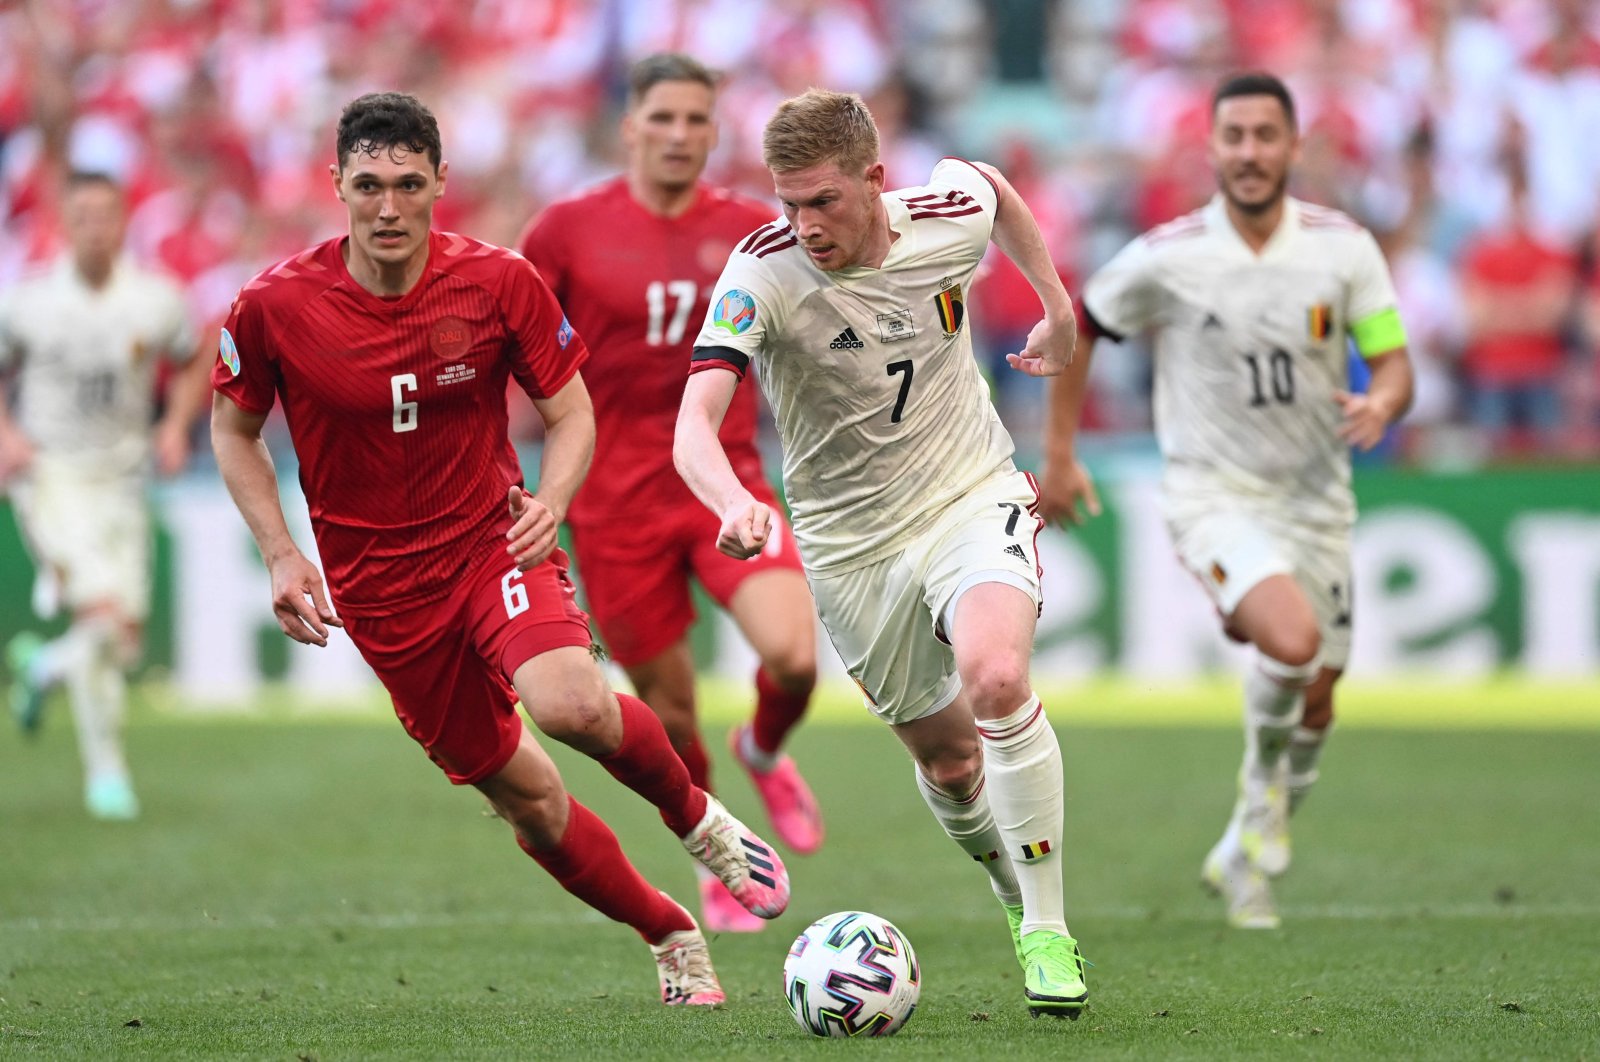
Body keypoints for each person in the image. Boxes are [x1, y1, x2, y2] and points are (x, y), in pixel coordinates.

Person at [209, 92, 790, 1006]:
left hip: (492, 544)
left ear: (442, 181)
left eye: (408, 183)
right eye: (368, 185)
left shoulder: (498, 281)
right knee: (533, 803)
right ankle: (670, 931)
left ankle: (700, 822)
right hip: (384, 598)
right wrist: (282, 553)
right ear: (337, 186)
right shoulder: (275, 306)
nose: (389, 207)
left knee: (571, 706)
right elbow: (233, 432)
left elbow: (570, 413)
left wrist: (551, 501)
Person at [675, 88, 1090, 1019]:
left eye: (822, 200)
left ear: (874, 180)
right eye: (787, 202)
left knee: (994, 679)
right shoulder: (763, 274)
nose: (803, 224)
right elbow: (693, 426)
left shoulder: (940, 219)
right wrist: (731, 496)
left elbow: (989, 186)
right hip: (851, 545)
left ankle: (1049, 930)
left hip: (968, 492)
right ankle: (1011, 887)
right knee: (949, 764)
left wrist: (1056, 306)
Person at [1039, 72, 1415, 929]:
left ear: (1293, 146)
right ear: (1210, 148)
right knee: (1290, 640)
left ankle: (1246, 844)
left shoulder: (1343, 247)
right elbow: (1080, 324)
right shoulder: (1169, 255)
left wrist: (1385, 401)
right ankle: (1258, 807)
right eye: (1234, 136)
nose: (1249, 153)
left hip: (1317, 501)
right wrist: (1060, 456)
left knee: (1318, 696)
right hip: (1211, 491)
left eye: (1264, 136)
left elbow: (1392, 358)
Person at [517, 54, 822, 934]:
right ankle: (721, 856)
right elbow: (517, 341)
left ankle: (763, 746)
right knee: (673, 710)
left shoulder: (753, 229)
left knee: (795, 656)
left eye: (697, 120)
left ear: (715, 132)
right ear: (630, 127)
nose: (681, 135)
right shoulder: (567, 230)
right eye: (664, 118)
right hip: (614, 505)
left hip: (724, 482)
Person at [0, 171, 212, 821]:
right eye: (83, 215)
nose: (96, 226)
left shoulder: (154, 298)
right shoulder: (29, 302)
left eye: (106, 215)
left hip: (124, 478)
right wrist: (7, 435)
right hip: (54, 477)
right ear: (65, 223)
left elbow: (201, 351)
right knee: (102, 615)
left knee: (122, 641)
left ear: (124, 222)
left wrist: (175, 424)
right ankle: (107, 773)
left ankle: (42, 670)